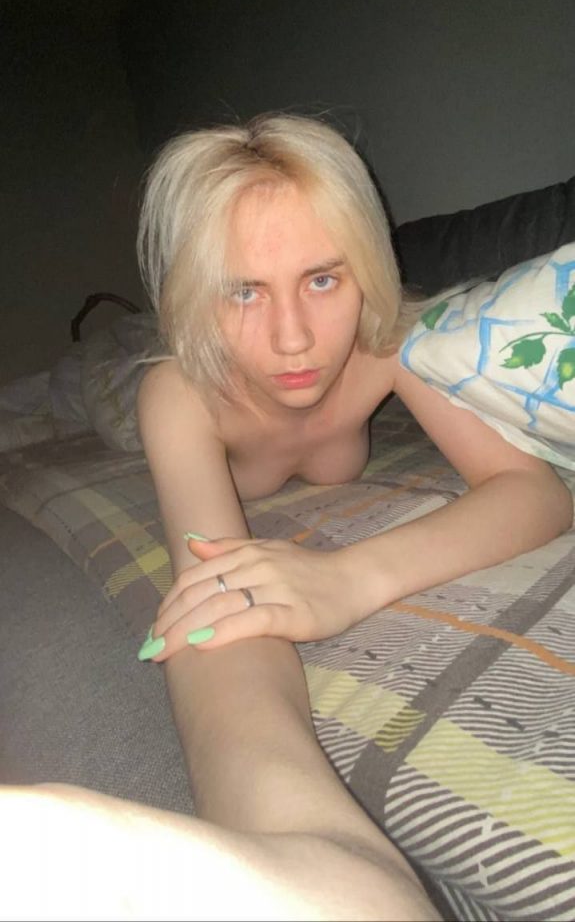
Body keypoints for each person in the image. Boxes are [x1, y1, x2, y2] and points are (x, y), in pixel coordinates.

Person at [128, 113, 572, 917]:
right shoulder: (179, 395)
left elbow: (532, 490)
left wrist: (348, 579)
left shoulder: (387, 345)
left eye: (322, 280)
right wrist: (290, 834)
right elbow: (212, 607)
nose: (292, 339)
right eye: (243, 290)